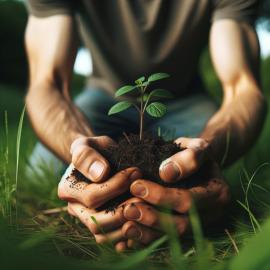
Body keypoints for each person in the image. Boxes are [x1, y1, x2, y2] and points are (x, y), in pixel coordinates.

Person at [25, 0, 266, 251]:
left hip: (186, 100)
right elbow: (46, 83)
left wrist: (208, 150)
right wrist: (80, 153)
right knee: (47, 169)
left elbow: (243, 88)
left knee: (195, 177)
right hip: (102, 98)